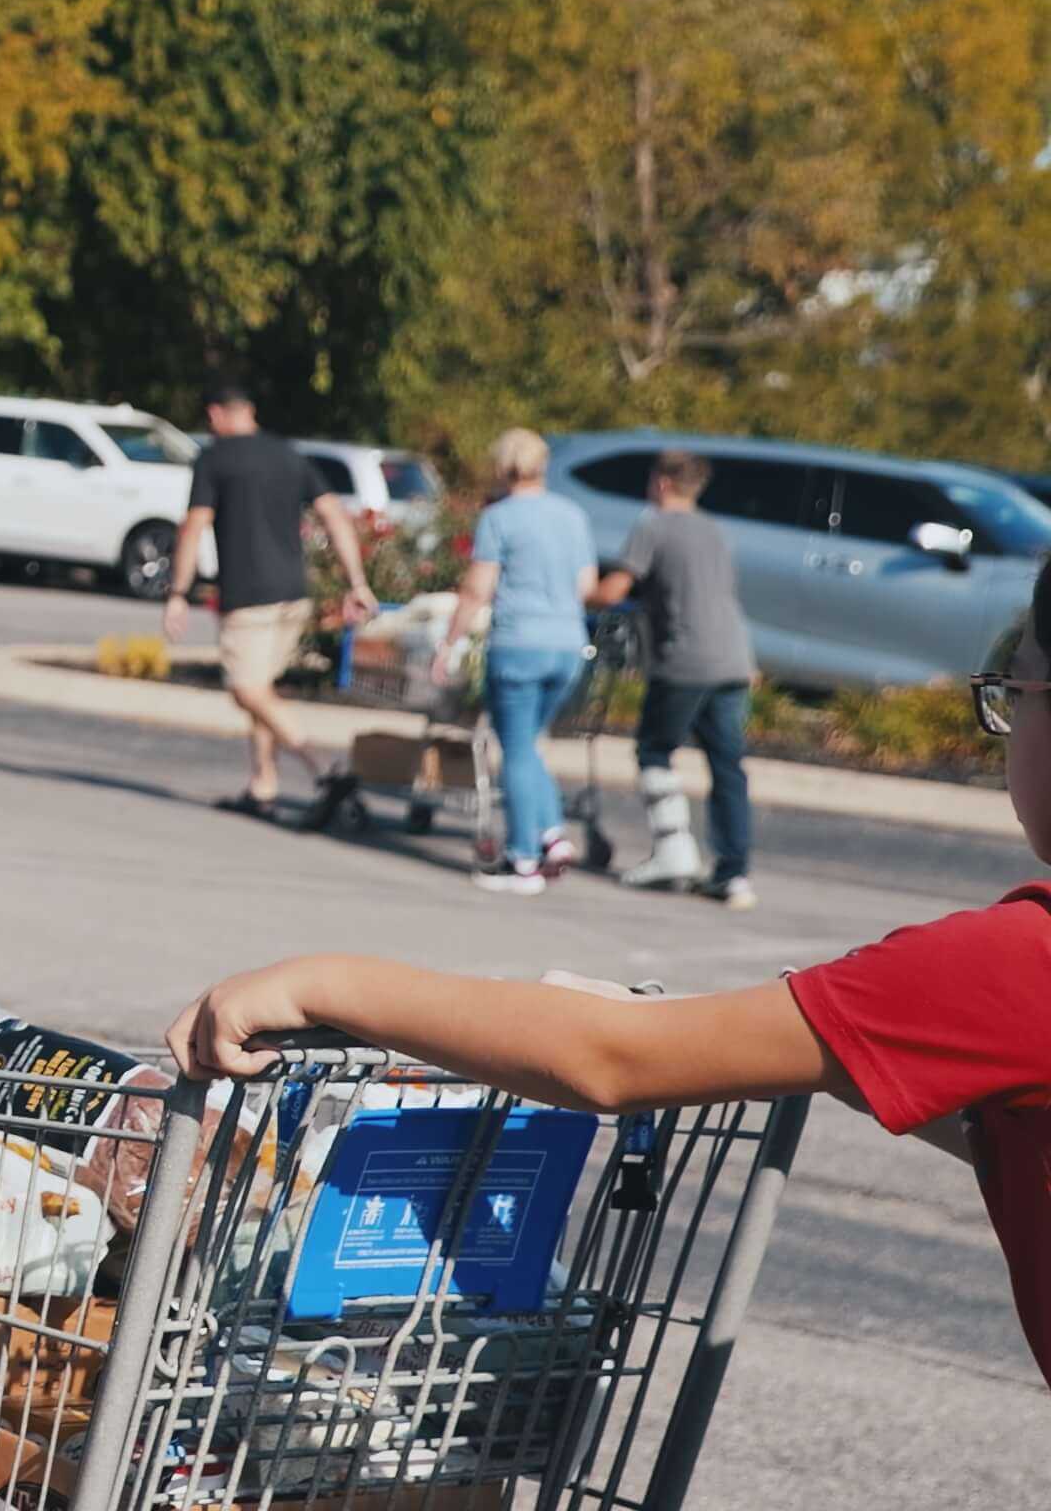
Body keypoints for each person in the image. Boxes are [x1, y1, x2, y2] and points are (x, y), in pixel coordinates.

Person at [165, 559, 1051, 1387]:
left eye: (1013, 697)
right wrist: (840, 1056)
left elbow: (611, 1060)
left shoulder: (1018, 959)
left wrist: (324, 982)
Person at [166, 386, 376, 815]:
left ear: (216, 414)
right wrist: (357, 581)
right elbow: (335, 514)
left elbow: (194, 525)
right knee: (263, 686)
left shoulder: (215, 458)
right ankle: (263, 784)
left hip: (248, 595)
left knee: (246, 689)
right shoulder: (288, 455)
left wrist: (177, 592)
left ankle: (327, 768)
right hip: (292, 595)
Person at [594, 449, 759, 908]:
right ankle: (733, 872)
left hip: (684, 658)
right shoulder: (715, 531)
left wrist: (581, 594)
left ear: (663, 483)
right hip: (731, 656)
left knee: (654, 749)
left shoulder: (653, 524)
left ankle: (674, 851)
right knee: (727, 764)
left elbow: (614, 590)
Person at [448, 426, 607, 894]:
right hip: (567, 645)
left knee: (514, 749)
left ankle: (522, 860)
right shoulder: (572, 516)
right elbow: (585, 585)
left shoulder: (499, 518)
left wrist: (451, 639)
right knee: (530, 743)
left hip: (519, 643)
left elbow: (478, 586)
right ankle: (551, 832)